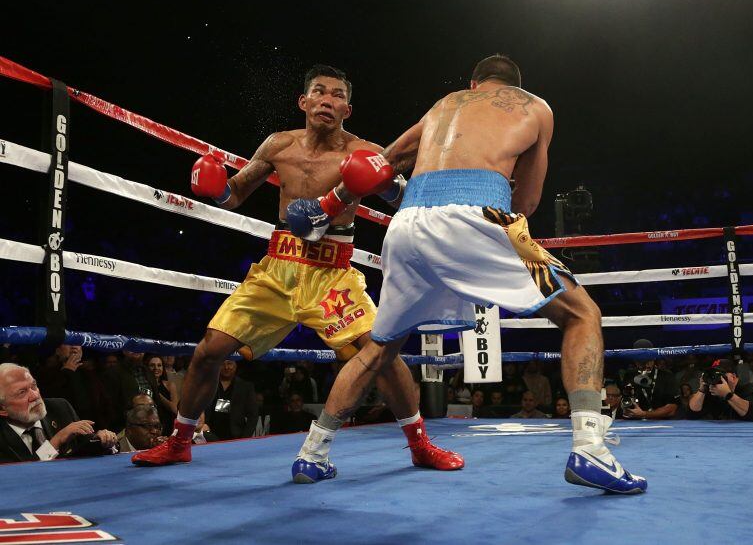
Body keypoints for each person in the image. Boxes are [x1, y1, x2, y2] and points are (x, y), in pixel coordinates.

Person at [290, 54, 646, 494]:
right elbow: (528, 203)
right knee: (581, 313)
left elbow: (379, 163)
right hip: (481, 216)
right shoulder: (536, 106)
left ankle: (313, 452)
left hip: (406, 226)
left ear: (473, 84)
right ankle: (592, 448)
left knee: (379, 348)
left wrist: (324, 209)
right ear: (514, 85)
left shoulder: (445, 103)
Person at [132, 65, 462, 477]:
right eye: (319, 92)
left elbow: (407, 199)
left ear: (348, 108)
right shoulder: (278, 144)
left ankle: (420, 445)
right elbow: (234, 195)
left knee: (381, 353)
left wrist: (385, 183)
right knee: (208, 351)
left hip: (332, 272)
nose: (327, 100)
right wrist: (215, 188)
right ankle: (179, 443)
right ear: (303, 102)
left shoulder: (364, 150)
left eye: (337, 95)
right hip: (278, 267)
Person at [0, 363, 118, 463]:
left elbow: (85, 447)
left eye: (34, 386)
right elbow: (23, 474)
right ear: (2, 409)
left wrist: (101, 440)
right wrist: (56, 441)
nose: (35, 395)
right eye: (22, 392)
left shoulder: (59, 408)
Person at [686, 358, 753, 421]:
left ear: (733, 377)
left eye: (720, 374)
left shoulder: (749, 389)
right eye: (714, 374)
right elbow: (692, 414)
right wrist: (702, 390)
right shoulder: (711, 392)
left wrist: (728, 395)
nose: (717, 378)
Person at [204, 359, 259, 440]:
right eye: (222, 364)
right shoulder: (208, 385)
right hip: (210, 435)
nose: (226, 367)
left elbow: (253, 415)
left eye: (229, 364)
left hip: (235, 436)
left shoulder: (245, 387)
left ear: (235, 365)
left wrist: (245, 438)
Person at [146, 355, 179, 435]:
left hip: (167, 425)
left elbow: (174, 409)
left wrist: (156, 392)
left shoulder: (170, 385)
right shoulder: (144, 385)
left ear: (163, 368)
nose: (156, 368)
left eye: (159, 365)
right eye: (152, 365)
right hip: (149, 425)